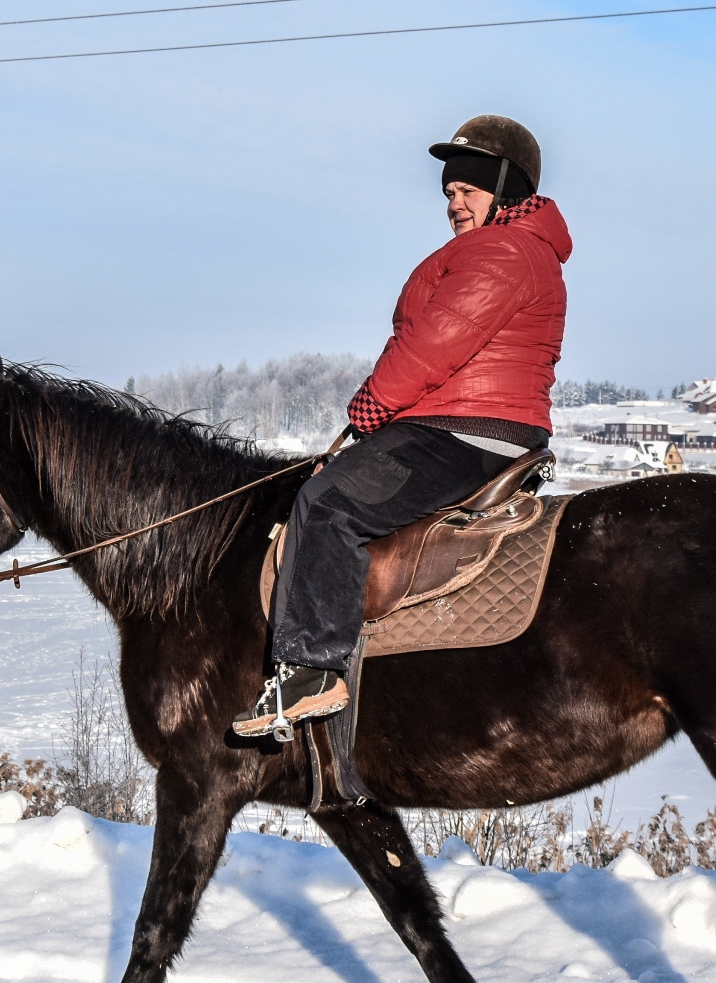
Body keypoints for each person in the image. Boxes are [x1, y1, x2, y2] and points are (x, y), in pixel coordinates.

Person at [233, 114, 572, 738]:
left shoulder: (506, 250)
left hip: (466, 428)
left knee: (328, 503)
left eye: (469, 191)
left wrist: (371, 405)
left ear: (508, 190)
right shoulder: (513, 248)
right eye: (448, 193)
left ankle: (312, 669)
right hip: (461, 420)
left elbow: (436, 342)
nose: (455, 204)